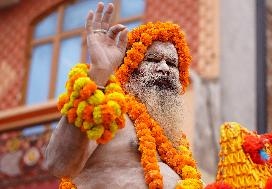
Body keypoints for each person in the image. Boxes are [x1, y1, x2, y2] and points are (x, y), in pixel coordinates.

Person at [45, 2, 202, 189]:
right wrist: (100, 73)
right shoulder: (109, 112)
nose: (164, 68)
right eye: (152, 59)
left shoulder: (176, 143)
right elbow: (59, 164)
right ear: (130, 70)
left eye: (172, 63)